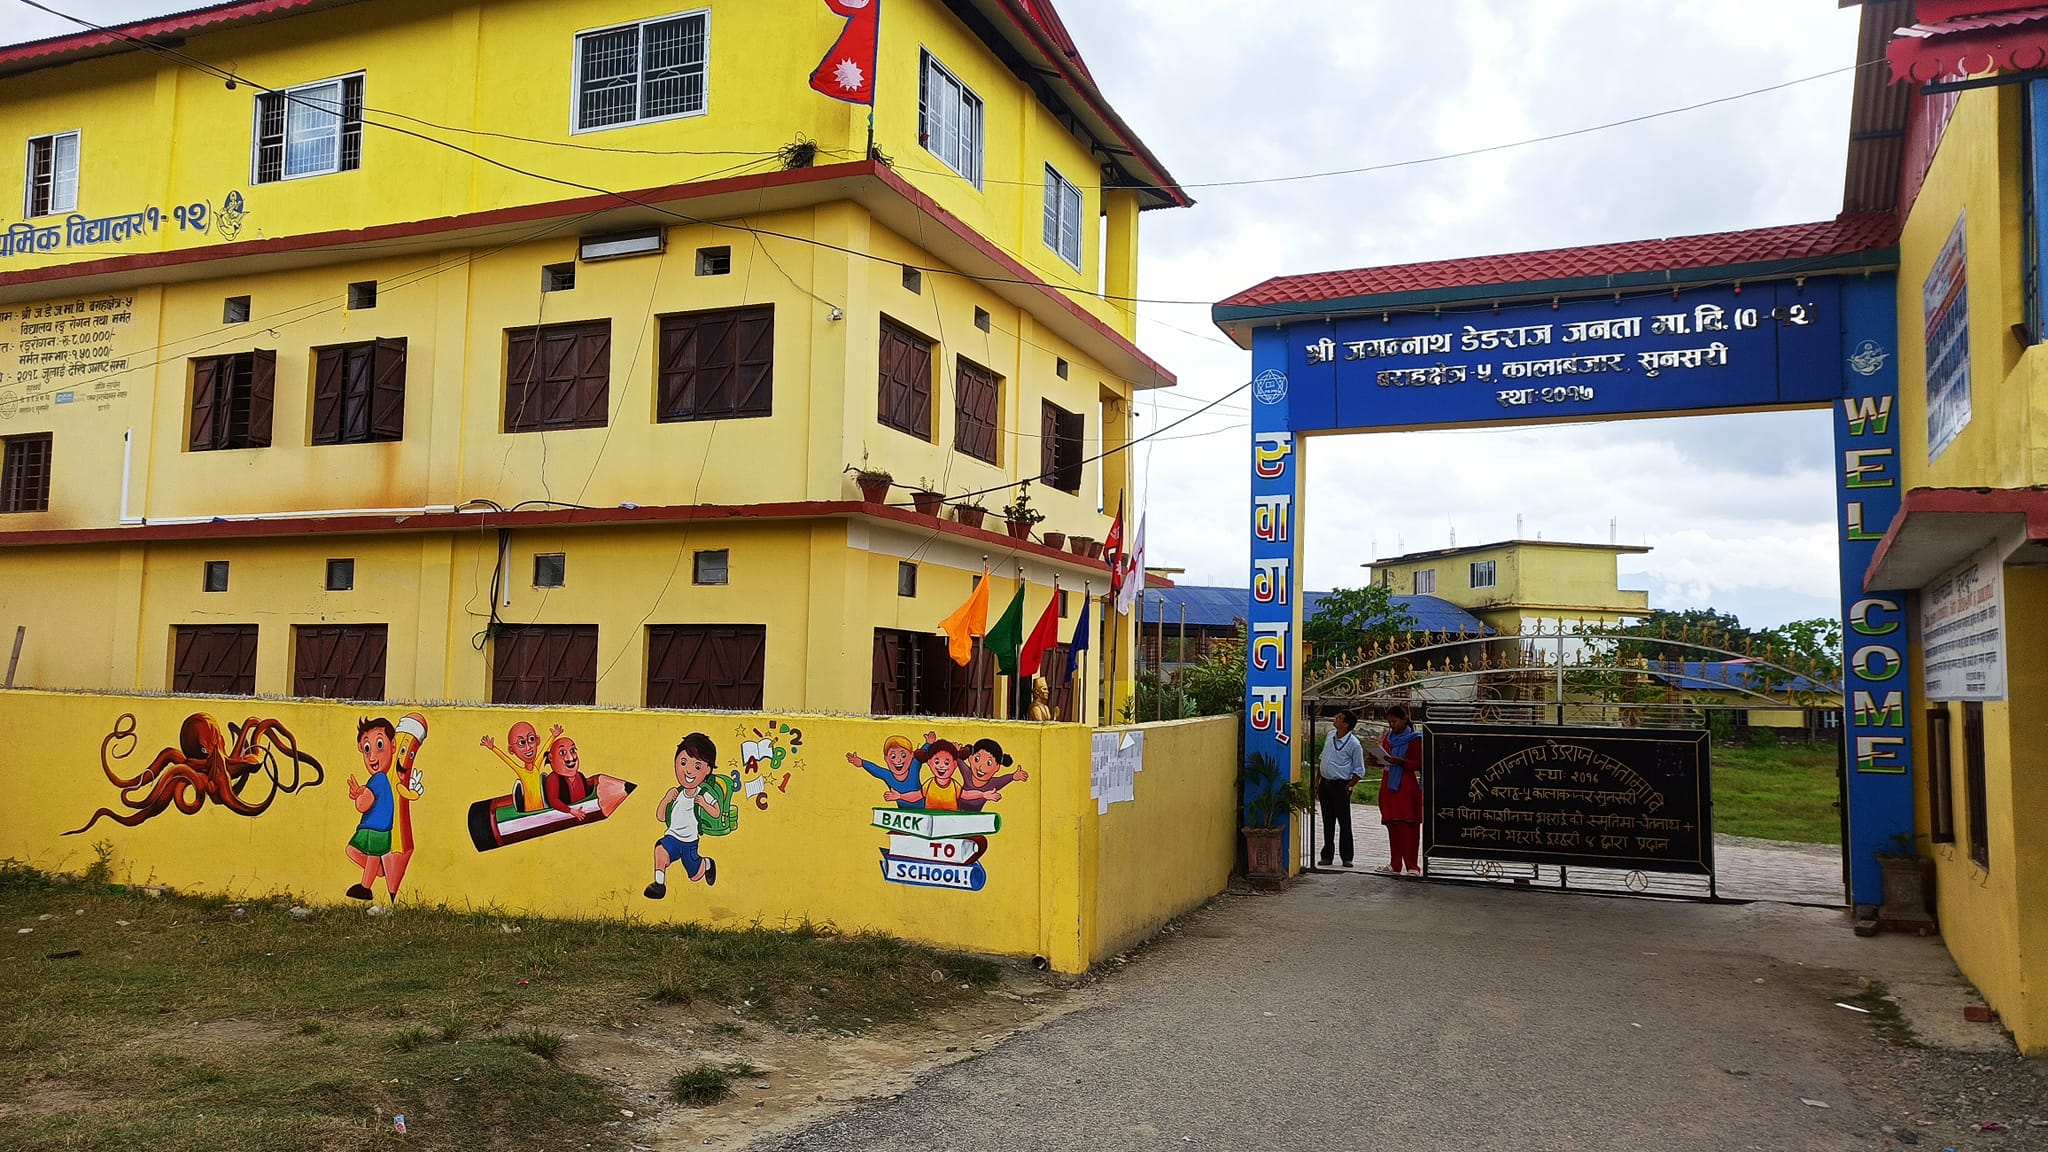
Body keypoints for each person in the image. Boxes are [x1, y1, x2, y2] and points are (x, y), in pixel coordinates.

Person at [1375, 704, 1425, 876]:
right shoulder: (1388, 738)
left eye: (1394, 721)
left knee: (1408, 826)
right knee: (1393, 825)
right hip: (1388, 784)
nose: (1391, 725)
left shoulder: (1415, 739)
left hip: (1406, 785)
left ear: (1404, 720)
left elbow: (1419, 763)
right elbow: (1384, 758)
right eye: (1389, 722)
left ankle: (1412, 866)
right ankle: (1395, 863)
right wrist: (1376, 760)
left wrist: (1401, 761)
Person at [1317, 709, 1365, 868]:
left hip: (1340, 785)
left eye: (1339, 717)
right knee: (1327, 821)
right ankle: (1327, 855)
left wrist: (1348, 786)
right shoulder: (1330, 735)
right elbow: (1323, 758)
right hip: (1325, 784)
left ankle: (1347, 856)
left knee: (1344, 822)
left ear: (1345, 724)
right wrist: (1317, 780)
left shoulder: (1354, 744)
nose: (1336, 718)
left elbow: (1359, 770)